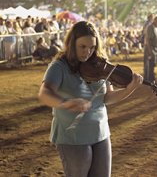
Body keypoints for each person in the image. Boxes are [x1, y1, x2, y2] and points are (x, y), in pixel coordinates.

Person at [38, 21, 143, 177]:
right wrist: (66, 103)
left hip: (100, 132)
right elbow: (44, 94)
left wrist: (130, 89)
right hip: (72, 136)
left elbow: (107, 97)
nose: (87, 52)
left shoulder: (99, 64)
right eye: (83, 47)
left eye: (92, 47)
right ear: (72, 43)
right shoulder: (59, 66)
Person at [144, 15, 157, 82]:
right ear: (155, 20)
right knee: (149, 65)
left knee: (152, 64)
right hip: (150, 48)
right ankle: (149, 80)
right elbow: (148, 40)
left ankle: (151, 78)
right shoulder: (150, 27)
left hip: (154, 48)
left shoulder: (155, 27)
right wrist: (150, 51)